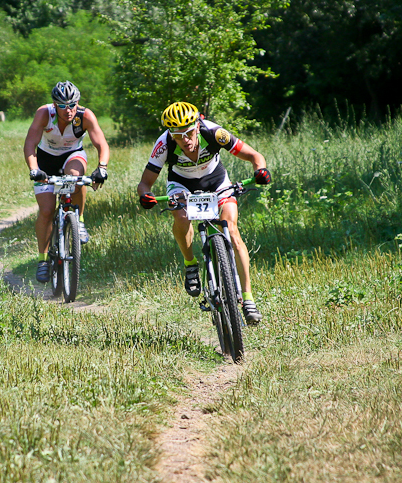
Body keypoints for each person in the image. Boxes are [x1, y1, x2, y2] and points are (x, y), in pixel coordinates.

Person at [136, 101, 271, 324]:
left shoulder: (214, 133)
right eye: (178, 136)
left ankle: (248, 298)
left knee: (231, 231)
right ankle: (190, 263)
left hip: (216, 181)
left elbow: (254, 156)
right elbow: (144, 183)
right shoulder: (164, 143)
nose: (185, 140)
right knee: (181, 216)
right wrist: (146, 196)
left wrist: (261, 170)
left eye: (189, 133)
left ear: (198, 126)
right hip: (182, 185)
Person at [24, 80, 110, 283]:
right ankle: (43, 260)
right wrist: (34, 169)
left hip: (73, 155)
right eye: (63, 106)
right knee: (46, 211)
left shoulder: (85, 116)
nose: (68, 110)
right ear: (55, 105)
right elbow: (30, 144)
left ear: (77, 103)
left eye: (72, 105)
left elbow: (101, 144)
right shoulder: (44, 114)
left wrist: (102, 168)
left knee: (76, 177)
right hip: (46, 160)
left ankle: (79, 221)